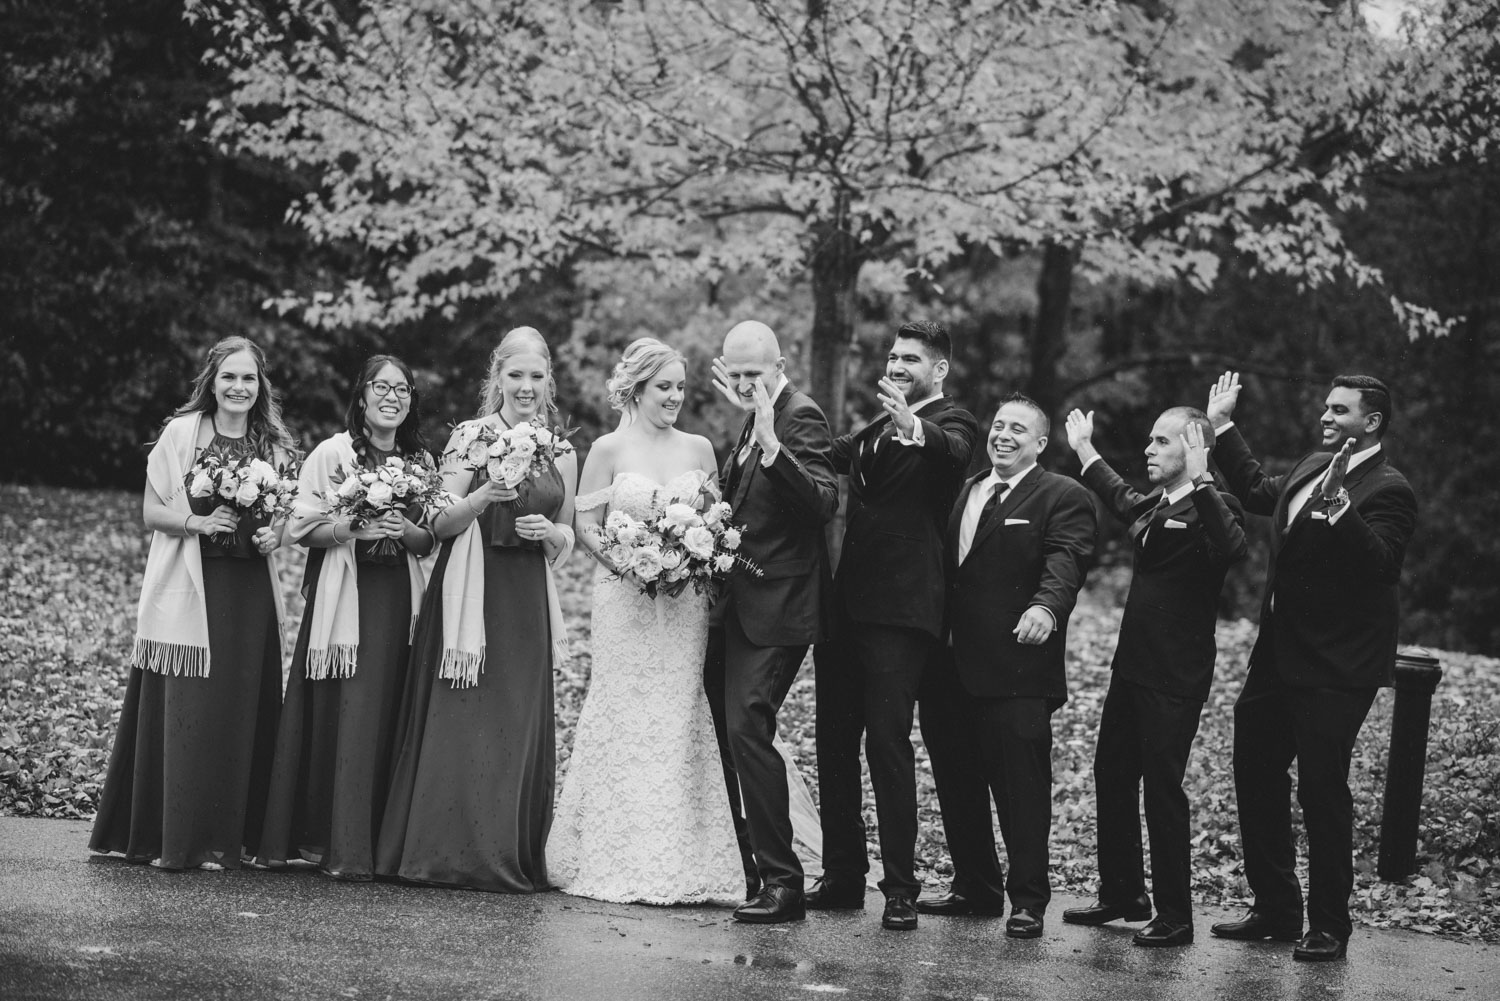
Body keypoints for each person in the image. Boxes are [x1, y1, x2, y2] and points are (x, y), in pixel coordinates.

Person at [1205, 371, 1418, 962]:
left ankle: (1328, 925)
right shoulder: (1310, 465)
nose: (1326, 416)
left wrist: (1341, 505)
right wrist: (1222, 425)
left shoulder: (1390, 489)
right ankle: (1276, 907)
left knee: (1322, 791)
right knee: (1254, 768)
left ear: (1371, 422)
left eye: (1339, 410)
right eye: (1326, 407)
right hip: (1277, 656)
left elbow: (1383, 564)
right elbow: (1255, 490)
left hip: (1336, 667)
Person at [376, 326, 577, 892]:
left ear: (548, 381)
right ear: (498, 378)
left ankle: (503, 852)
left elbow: (567, 532)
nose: (526, 386)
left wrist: (550, 534)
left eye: (536, 376)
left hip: (525, 597)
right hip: (472, 590)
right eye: (516, 375)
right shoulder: (471, 436)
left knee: (515, 722)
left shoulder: (561, 449)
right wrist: (482, 497)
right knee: (462, 717)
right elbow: (437, 524)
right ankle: (443, 853)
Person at [549, 338, 744, 905]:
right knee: (622, 709)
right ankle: (613, 851)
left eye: (681, 387)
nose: (675, 397)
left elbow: (715, 522)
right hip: (623, 602)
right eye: (664, 387)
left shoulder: (700, 448)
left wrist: (687, 558)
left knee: (678, 712)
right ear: (637, 389)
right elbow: (586, 525)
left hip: (684, 608)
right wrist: (629, 564)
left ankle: (682, 856)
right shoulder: (607, 449)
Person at [90, 335, 295, 871]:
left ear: (260, 385)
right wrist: (196, 523)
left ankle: (228, 839)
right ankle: (176, 835)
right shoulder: (183, 434)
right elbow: (151, 511)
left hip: (249, 593)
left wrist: (275, 535)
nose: (239, 387)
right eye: (229, 376)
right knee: (190, 708)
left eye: (248, 378)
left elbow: (284, 518)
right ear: (212, 381)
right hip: (192, 586)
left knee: (237, 709)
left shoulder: (273, 446)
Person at [808, 321, 978, 931]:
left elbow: (953, 451)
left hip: (902, 612)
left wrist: (915, 426)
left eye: (910, 358)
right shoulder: (874, 427)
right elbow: (822, 455)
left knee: (886, 742)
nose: (897, 365)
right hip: (845, 607)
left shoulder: (953, 422)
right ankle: (842, 875)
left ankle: (901, 888)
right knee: (833, 742)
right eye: (893, 356)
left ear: (939, 369)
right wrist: (769, 415)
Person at [1061, 406, 1247, 946]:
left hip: (1174, 674)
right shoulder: (1158, 502)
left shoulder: (1215, 503)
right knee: (1112, 775)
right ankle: (1123, 893)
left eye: (1163, 441)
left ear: (1194, 449)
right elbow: (1120, 496)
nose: (1149, 449)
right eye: (1150, 440)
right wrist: (1085, 450)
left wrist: (1205, 479)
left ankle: (1175, 915)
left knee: (1162, 789)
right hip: (1131, 667)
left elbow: (1234, 547)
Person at [917, 394, 1096, 939]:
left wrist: (1046, 607)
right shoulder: (966, 489)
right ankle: (975, 887)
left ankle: (1028, 901)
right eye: (998, 425)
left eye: (1018, 429)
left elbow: (1066, 561)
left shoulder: (1062, 494)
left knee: (1021, 791)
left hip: (1016, 670)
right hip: (948, 668)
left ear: (1040, 443)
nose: (1003, 435)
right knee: (956, 781)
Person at [256, 356, 437, 879]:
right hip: (345, 598)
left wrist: (405, 529)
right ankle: (329, 840)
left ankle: (376, 843)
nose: (392, 397)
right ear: (361, 396)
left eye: (402, 389)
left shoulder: (421, 461)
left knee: (384, 713)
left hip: (398, 601)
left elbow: (428, 541)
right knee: (347, 711)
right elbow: (298, 530)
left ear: (410, 401)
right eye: (381, 387)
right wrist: (350, 529)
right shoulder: (332, 453)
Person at [703, 320, 840, 923]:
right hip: (736, 605)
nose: (742, 383)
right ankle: (751, 869)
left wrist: (771, 445)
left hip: (780, 608)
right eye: (734, 373)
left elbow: (822, 503)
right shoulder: (752, 416)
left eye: (752, 373)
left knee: (747, 727)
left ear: (780, 365)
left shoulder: (799, 416)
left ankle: (784, 883)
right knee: (727, 733)